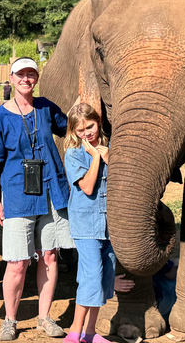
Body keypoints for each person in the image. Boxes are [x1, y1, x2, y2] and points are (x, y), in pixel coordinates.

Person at [0, 57, 74, 341]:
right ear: (11, 78)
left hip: (52, 193)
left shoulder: (46, 108)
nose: (26, 79)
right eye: (21, 74)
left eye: (31, 74)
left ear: (37, 78)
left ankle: (44, 317)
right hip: (17, 196)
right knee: (17, 262)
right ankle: (10, 320)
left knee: (49, 256)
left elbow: (72, 128)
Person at [63, 103, 114, 343]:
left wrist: (108, 157)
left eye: (90, 126)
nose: (87, 134)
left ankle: (90, 333)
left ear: (98, 122)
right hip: (85, 223)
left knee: (104, 278)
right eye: (81, 130)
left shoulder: (111, 148)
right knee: (91, 275)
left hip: (109, 222)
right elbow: (87, 186)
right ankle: (74, 333)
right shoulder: (73, 154)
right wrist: (96, 157)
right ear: (73, 131)